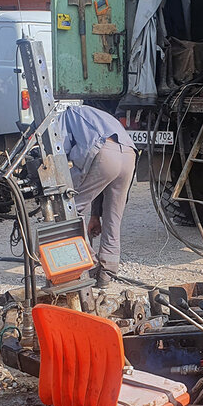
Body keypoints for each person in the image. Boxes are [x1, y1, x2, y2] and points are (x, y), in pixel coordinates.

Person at [54, 104, 137, 288]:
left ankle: (87, 264)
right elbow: (100, 182)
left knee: (70, 208)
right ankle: (107, 274)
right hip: (129, 155)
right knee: (113, 218)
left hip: (104, 152)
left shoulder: (64, 117)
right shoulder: (97, 115)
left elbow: (59, 152)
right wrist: (94, 216)